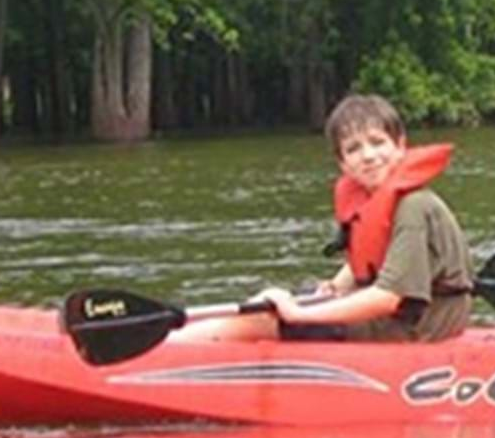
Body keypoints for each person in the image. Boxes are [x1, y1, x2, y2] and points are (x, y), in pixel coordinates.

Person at [179, 92, 476, 344]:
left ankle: (160, 354)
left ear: (400, 146)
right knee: (267, 308)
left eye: (377, 142)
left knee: (265, 322)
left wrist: (301, 315)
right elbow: (369, 260)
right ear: (343, 163)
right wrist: (334, 288)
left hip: (416, 328)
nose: (369, 155)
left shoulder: (414, 206)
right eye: (354, 149)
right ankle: (174, 343)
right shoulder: (374, 201)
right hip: (398, 320)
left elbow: (388, 297)